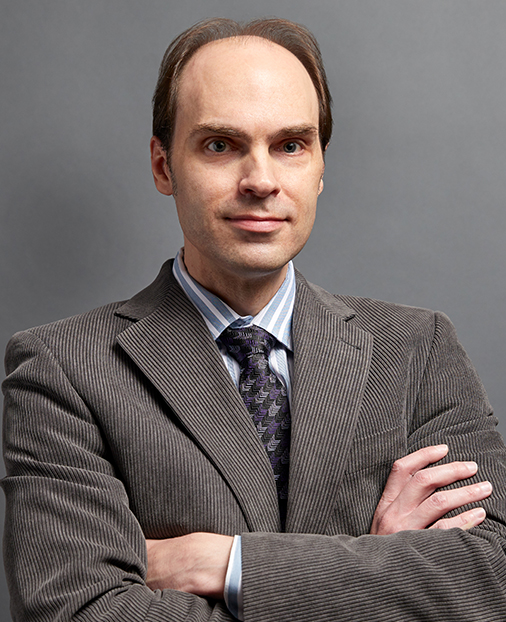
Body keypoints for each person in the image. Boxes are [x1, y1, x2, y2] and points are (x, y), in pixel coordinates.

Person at [2, 17, 506, 622]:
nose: (261, 181)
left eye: (290, 145)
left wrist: (230, 564)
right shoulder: (61, 370)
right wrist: (373, 570)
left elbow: (494, 578)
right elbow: (82, 613)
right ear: (163, 166)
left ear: (320, 167)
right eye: (220, 145)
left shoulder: (419, 350)